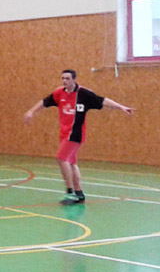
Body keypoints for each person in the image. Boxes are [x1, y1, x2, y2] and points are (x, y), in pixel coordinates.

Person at [23, 69, 134, 204]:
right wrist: (31, 111)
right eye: (63, 78)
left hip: (75, 134)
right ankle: (79, 193)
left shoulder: (83, 94)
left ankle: (70, 192)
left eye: (67, 78)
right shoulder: (59, 93)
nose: (65, 81)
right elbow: (44, 102)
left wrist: (121, 107)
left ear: (74, 79)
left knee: (61, 159)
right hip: (64, 134)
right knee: (71, 163)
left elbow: (103, 100)